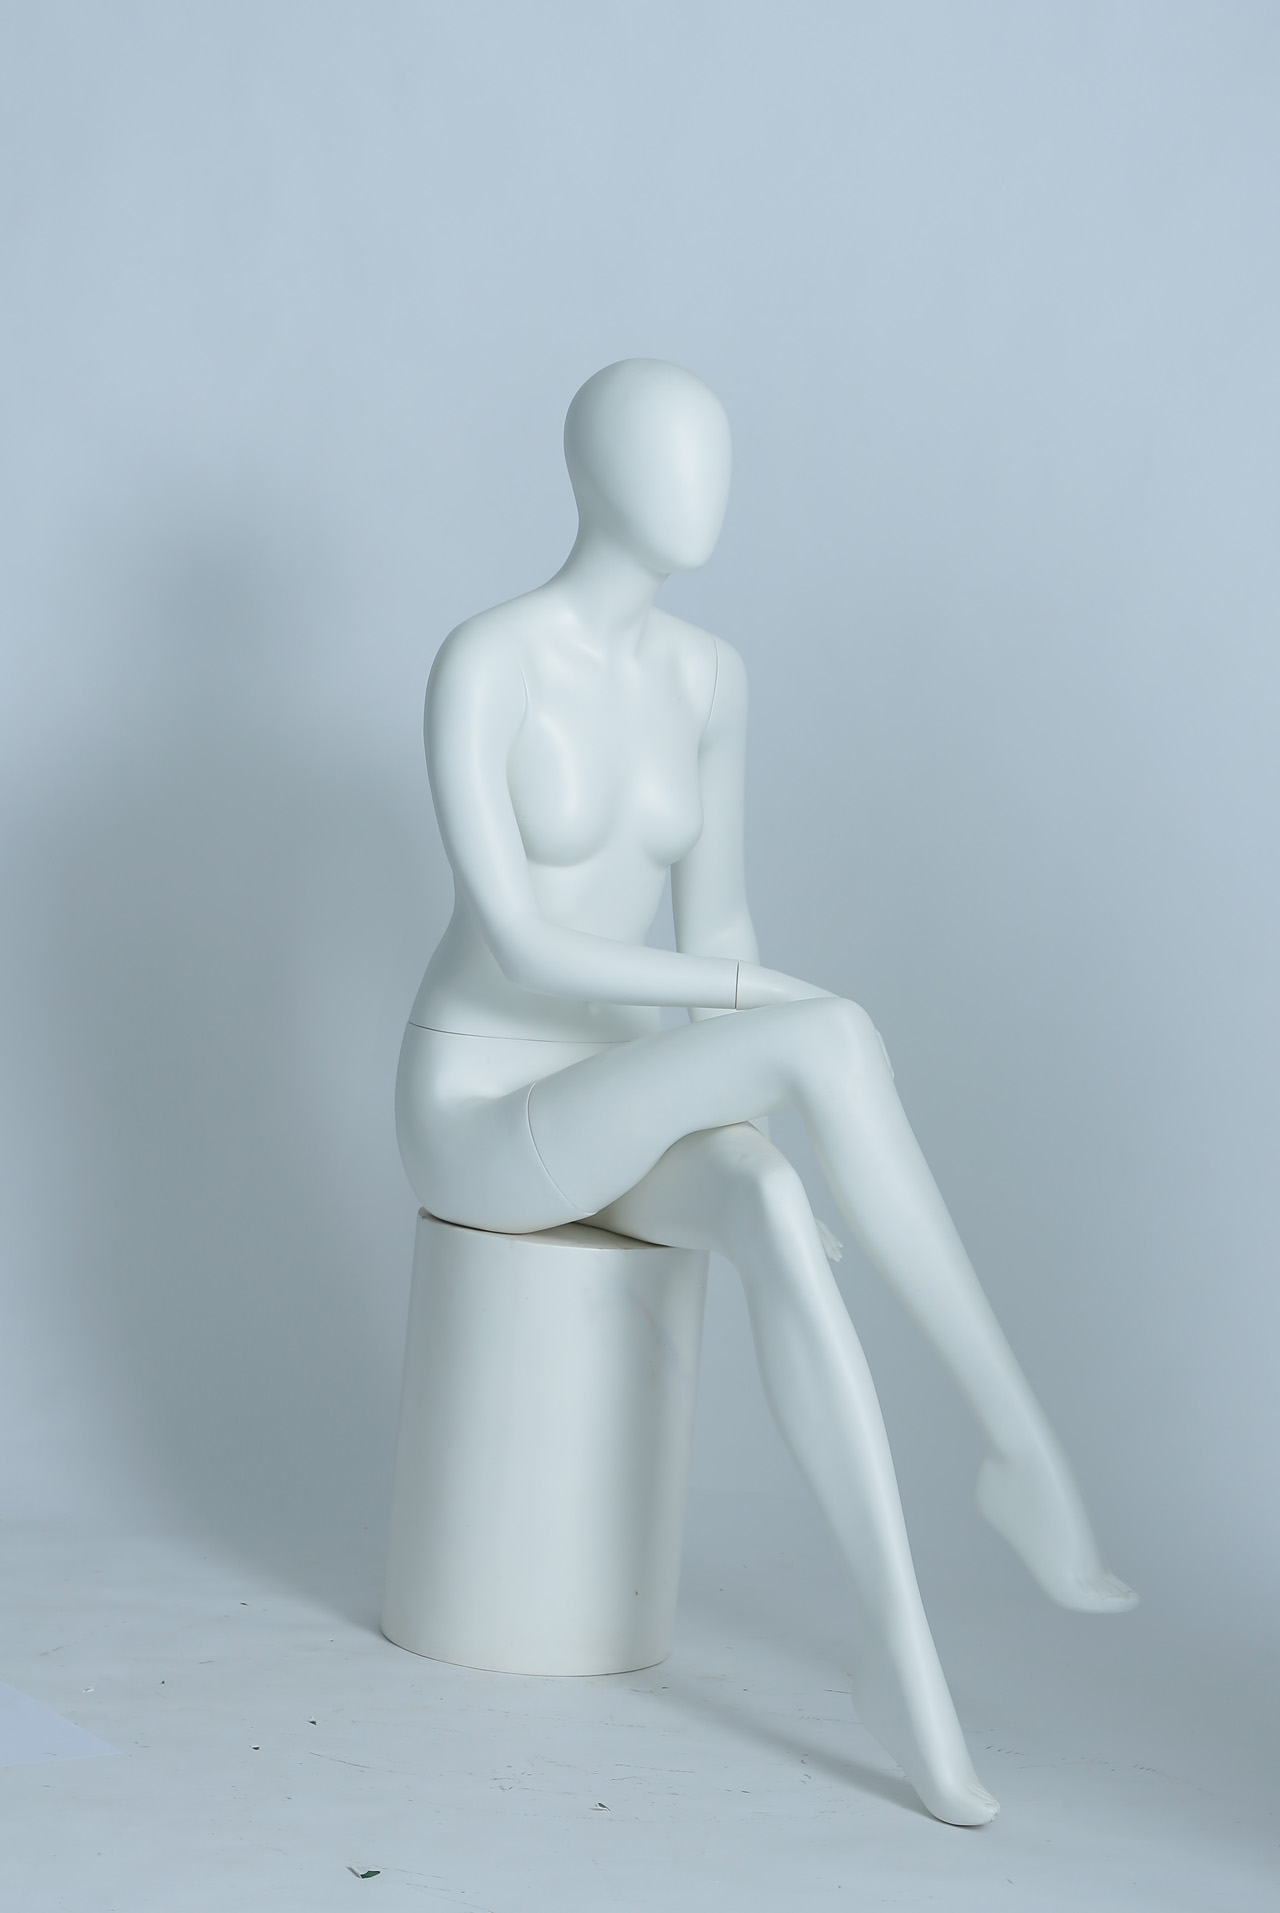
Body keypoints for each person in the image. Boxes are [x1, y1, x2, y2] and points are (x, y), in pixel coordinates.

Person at [396, 357, 1136, 1826]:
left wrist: (729, 1079)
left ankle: (900, 1661)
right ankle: (1019, 1448)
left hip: (613, 1088)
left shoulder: (711, 678)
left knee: (774, 1197)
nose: (702, 487)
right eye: (668, 454)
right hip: (481, 1104)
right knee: (829, 1034)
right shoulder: (490, 659)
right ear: (590, 471)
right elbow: (522, 942)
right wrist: (757, 1007)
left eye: (715, 455)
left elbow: (718, 922)